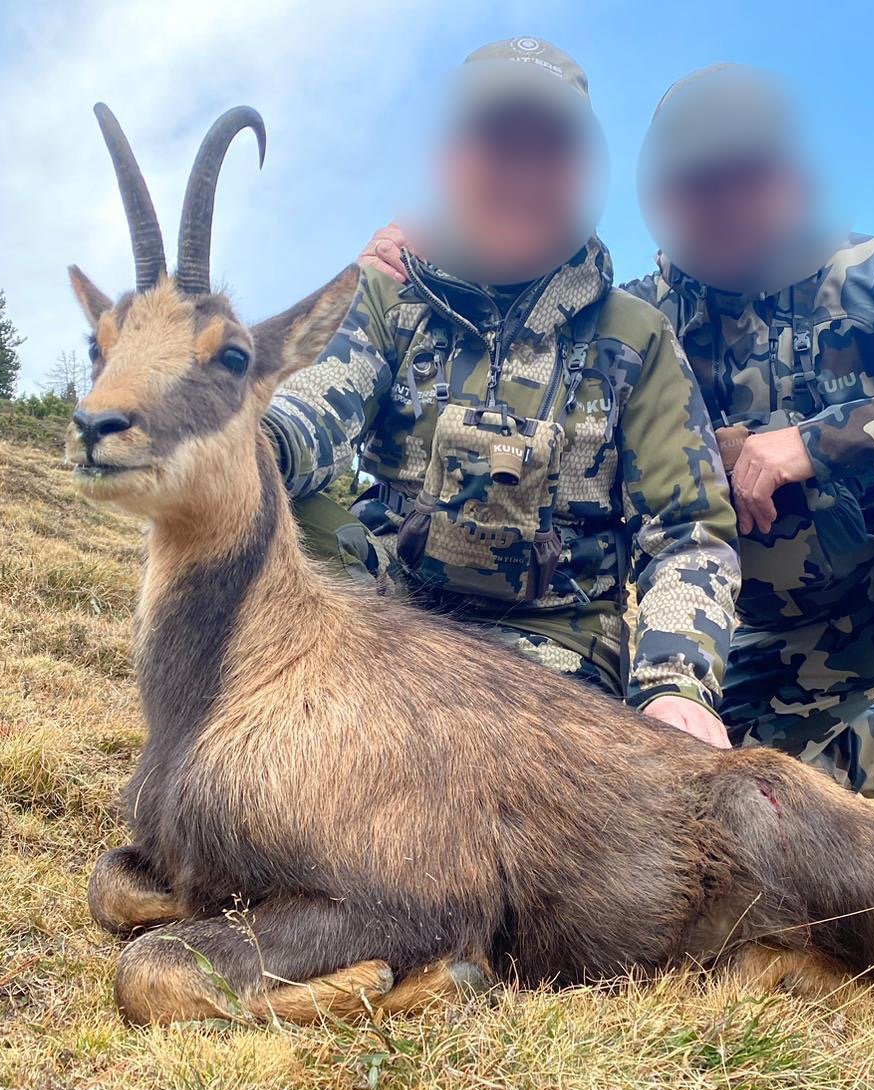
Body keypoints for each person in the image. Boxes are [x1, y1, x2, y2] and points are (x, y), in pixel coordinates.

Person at [361, 64, 874, 1084]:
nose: (719, 204)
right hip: (733, 655)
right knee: (696, 836)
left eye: (742, 176)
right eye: (691, 185)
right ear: (654, 200)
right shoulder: (634, 321)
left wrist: (814, 443)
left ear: (787, 180)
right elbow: (516, 330)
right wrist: (426, 272)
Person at [263, 38, 741, 749]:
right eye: (497, 144)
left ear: (581, 174)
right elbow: (310, 415)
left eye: (548, 149)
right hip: (372, 615)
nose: (522, 174)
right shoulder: (388, 293)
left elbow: (689, 530)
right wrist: (251, 447)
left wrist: (677, 686)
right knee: (265, 497)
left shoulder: (636, 339)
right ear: (452, 161)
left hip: (552, 664)